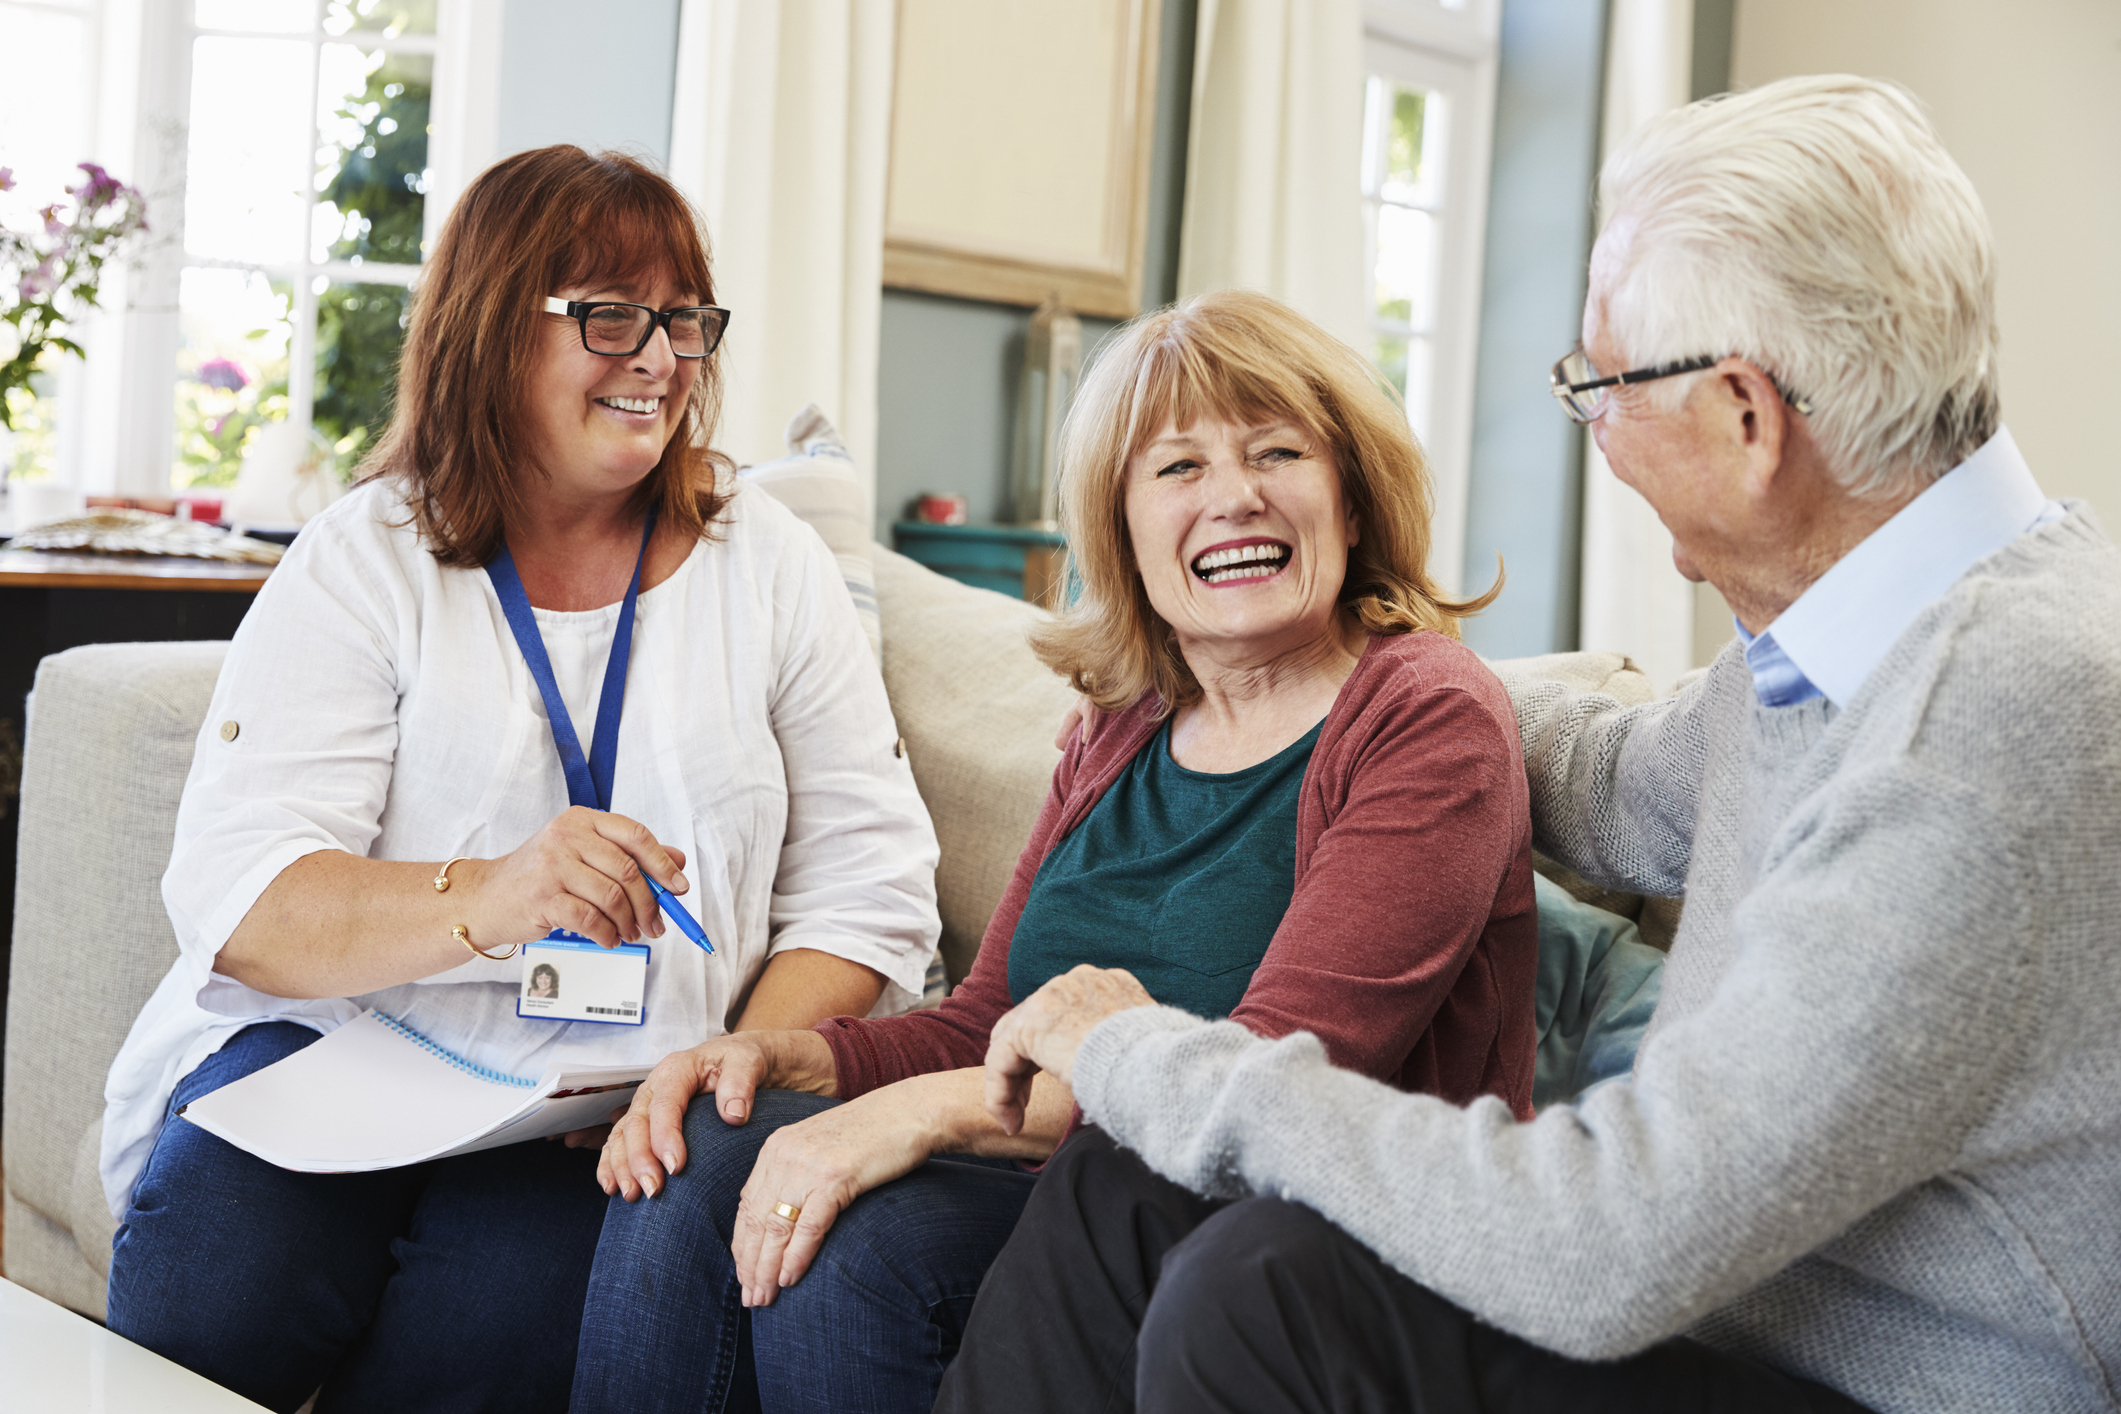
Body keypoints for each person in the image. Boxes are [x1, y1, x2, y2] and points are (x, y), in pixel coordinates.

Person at [955, 74, 2121, 1414]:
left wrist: (1148, 1049)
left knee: (1259, 1287)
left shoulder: (1965, 746)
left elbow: (1605, 1244)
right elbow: (1614, 775)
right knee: (1134, 1189)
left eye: (1600, 384)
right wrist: (1338, 678)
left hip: (1875, 1383)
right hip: (1732, 1329)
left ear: (1745, 418)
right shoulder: (1851, 640)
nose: (1596, 427)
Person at [572, 288, 1541, 1413]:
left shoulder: (1423, 712)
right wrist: (794, 1058)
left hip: (1301, 1238)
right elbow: (987, 1023)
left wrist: (917, 1113)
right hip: (1073, 1191)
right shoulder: (1119, 727)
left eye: (1279, 451)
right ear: (1124, 526)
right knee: (700, 1143)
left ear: (1353, 499)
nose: (1236, 497)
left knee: (863, 1253)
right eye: (1178, 469)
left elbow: (1281, 1083)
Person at [99, 146, 940, 1414]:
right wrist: (491, 896)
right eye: (609, 316)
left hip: (601, 1107)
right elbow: (247, 899)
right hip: (336, 1057)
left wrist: (728, 1064)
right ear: (492, 330)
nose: (657, 356)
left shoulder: (764, 563)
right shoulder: (366, 557)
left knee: (492, 1346)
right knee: (207, 1291)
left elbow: (868, 891)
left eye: (681, 321)